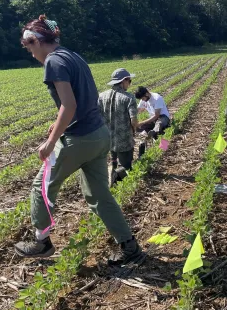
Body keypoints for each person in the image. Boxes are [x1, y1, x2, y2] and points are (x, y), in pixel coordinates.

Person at [14, 15, 142, 263]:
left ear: (36, 41)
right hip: (99, 135)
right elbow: (82, 99)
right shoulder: (72, 55)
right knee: (99, 195)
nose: (29, 52)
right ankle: (130, 247)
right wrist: (59, 120)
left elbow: (69, 105)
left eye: (28, 46)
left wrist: (51, 140)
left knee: (41, 188)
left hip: (78, 140)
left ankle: (41, 243)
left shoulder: (53, 61)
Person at [98, 68, 138, 185]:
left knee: (113, 161)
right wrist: (135, 129)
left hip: (108, 138)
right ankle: (123, 187)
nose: (129, 84)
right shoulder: (129, 98)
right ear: (123, 81)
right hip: (124, 140)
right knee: (125, 165)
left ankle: (113, 184)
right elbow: (133, 120)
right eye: (129, 81)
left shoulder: (101, 96)